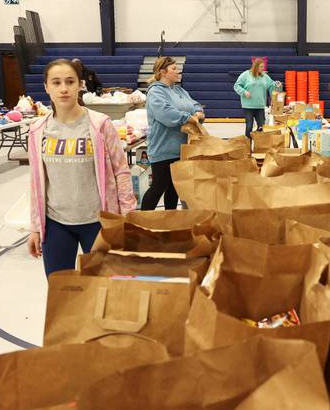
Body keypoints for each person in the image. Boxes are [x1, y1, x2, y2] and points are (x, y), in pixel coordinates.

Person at [27, 59, 136, 278]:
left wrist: (128, 220)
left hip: (98, 222)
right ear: (46, 87)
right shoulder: (38, 129)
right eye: (56, 83)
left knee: (105, 291)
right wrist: (35, 227)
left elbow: (121, 172)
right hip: (57, 223)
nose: (64, 89)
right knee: (62, 293)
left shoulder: (100, 125)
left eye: (70, 81)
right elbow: (36, 181)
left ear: (80, 85)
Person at [141, 56, 203, 211]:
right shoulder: (155, 92)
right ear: (163, 72)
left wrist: (198, 112)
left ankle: (170, 220)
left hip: (181, 149)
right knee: (158, 187)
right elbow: (167, 115)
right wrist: (190, 118)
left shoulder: (179, 90)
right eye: (174, 69)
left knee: (175, 188)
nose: (178, 71)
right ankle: (140, 222)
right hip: (164, 149)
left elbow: (194, 104)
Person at [234, 58, 280, 138]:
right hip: (248, 106)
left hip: (260, 105)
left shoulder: (264, 76)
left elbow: (271, 85)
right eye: (261, 67)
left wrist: (276, 84)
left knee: (261, 126)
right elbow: (236, 86)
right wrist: (244, 92)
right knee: (249, 126)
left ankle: (260, 145)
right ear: (256, 66)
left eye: (263, 67)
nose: (263, 69)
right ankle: (248, 144)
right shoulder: (245, 75)